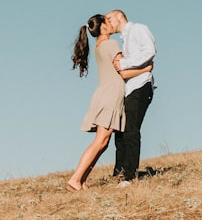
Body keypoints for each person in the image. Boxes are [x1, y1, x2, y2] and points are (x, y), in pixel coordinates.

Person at [67, 14, 152, 191]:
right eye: (108, 21)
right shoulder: (111, 45)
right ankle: (75, 179)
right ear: (104, 27)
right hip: (111, 94)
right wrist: (146, 68)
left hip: (103, 93)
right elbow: (123, 71)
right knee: (101, 140)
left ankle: (81, 181)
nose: (112, 24)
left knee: (103, 141)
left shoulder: (99, 46)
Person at [106, 10, 156, 185]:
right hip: (129, 89)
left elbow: (150, 51)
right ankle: (118, 172)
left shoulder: (138, 29)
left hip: (141, 86)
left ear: (120, 16)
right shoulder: (123, 39)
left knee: (131, 129)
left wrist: (124, 64)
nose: (107, 22)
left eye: (109, 18)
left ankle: (129, 175)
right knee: (120, 132)